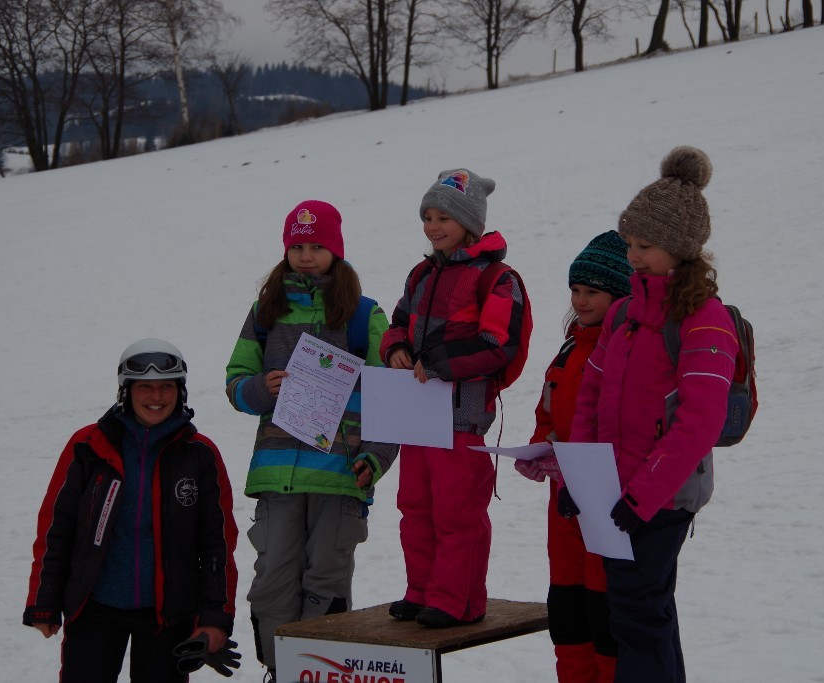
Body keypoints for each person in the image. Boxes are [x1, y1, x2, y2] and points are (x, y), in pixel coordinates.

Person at [569, 146, 739, 683]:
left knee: (638, 612)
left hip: (663, 496)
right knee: (642, 611)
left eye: (645, 246)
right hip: (617, 491)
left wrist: (644, 496)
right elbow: (591, 396)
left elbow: (699, 422)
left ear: (680, 250)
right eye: (630, 244)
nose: (633, 256)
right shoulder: (623, 312)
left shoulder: (705, 320)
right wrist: (579, 479)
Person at [225, 200, 398, 682]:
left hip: (340, 474)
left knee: (326, 577)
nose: (305, 256)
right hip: (276, 473)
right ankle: (280, 672)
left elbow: (391, 398)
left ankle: (321, 673)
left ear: (335, 250)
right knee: (272, 579)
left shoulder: (363, 315)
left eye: (316, 246)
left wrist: (376, 458)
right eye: (297, 246)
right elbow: (235, 382)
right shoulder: (265, 312)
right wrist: (260, 388)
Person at [23, 338, 238, 683]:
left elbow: (218, 544)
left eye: (166, 387)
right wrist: (43, 600)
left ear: (180, 391)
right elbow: (56, 527)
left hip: (168, 616)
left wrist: (214, 618)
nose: (156, 397)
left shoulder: (200, 454)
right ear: (126, 391)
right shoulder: (88, 446)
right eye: (145, 387)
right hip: (94, 608)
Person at [381, 168, 530, 628]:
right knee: (415, 507)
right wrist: (396, 348)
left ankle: (457, 600)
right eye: (427, 217)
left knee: (457, 512)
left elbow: (499, 345)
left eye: (443, 217)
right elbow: (397, 323)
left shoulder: (497, 279)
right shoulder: (422, 274)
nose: (433, 226)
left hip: (461, 418)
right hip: (417, 416)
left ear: (469, 223)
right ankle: (422, 591)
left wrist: (439, 362)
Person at [514, 231, 633, 682]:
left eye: (592, 292)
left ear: (620, 296)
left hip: (607, 504)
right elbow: (547, 409)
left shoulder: (625, 349)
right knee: (568, 611)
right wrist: (540, 444)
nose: (581, 301)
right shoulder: (570, 347)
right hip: (564, 504)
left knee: (605, 615)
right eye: (576, 290)